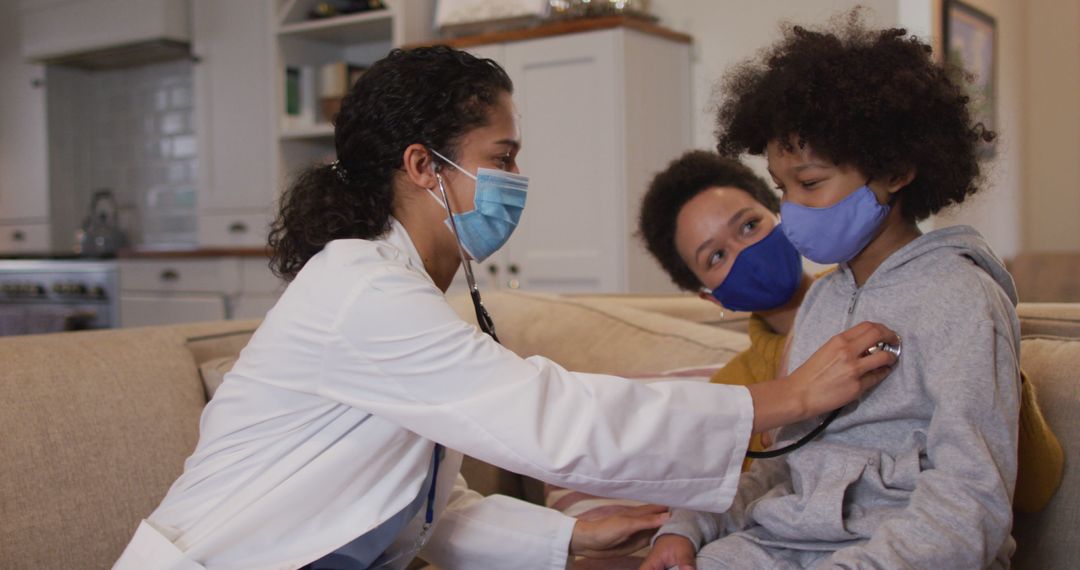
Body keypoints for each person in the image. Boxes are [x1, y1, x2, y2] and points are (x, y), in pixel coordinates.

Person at [112, 46, 899, 570]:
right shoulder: (360, 289)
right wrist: (782, 398)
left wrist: (570, 534)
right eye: (503, 159)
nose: (518, 179)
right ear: (424, 167)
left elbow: (416, 502)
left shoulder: (404, 294)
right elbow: (551, 418)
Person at [639, 15, 1035, 569]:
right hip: (787, 543)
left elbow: (970, 503)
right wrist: (686, 529)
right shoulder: (823, 301)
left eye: (810, 183)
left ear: (894, 169)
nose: (792, 209)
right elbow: (786, 461)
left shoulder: (962, 296)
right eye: (782, 188)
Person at [637, 149, 1062, 500]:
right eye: (716, 257)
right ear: (710, 297)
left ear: (780, 216)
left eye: (750, 225)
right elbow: (762, 506)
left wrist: (987, 360)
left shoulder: (919, 296)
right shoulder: (735, 396)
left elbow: (1029, 486)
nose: (744, 252)